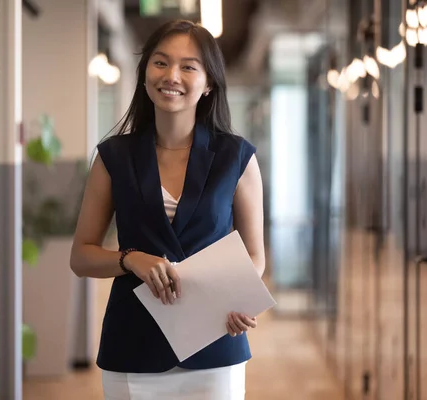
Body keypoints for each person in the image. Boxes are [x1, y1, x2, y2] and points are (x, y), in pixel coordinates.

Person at [70, 19, 265, 400]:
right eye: (160, 62)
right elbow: (81, 256)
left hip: (215, 343)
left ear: (208, 83)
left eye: (189, 66)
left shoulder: (235, 156)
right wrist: (131, 259)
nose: (171, 75)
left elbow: (255, 254)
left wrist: (239, 297)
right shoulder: (113, 157)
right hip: (134, 345)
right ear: (145, 74)